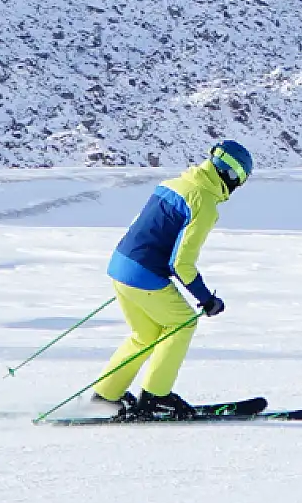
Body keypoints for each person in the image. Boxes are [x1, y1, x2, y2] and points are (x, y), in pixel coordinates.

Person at [88, 140, 252, 419]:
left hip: (121, 265)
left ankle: (106, 395)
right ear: (232, 175)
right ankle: (155, 398)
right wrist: (206, 299)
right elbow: (181, 263)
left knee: (145, 335)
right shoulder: (204, 201)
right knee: (182, 323)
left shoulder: (175, 183)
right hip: (143, 273)